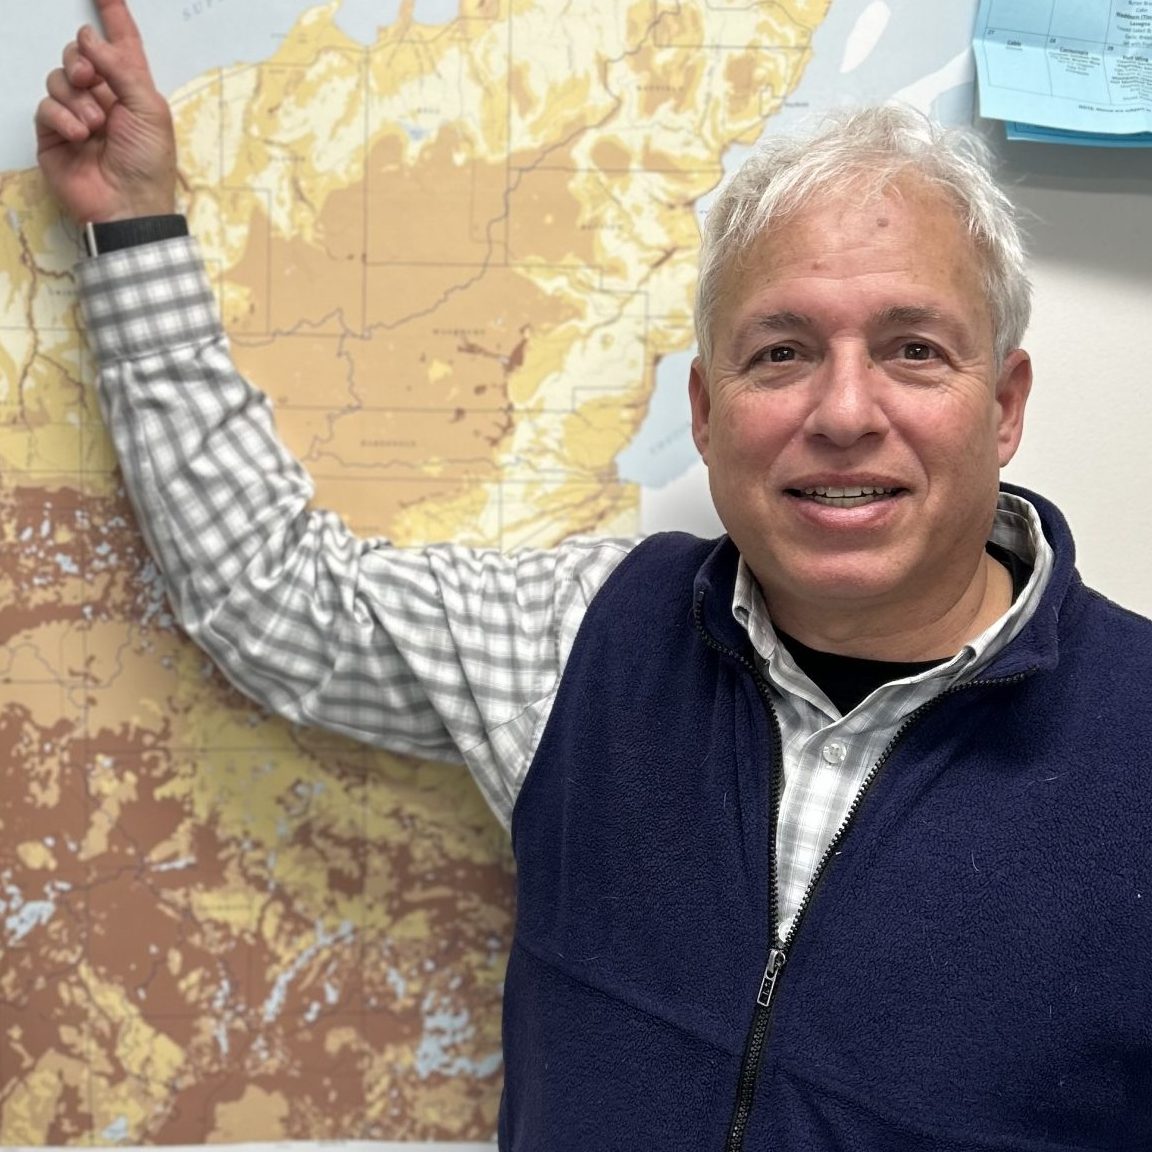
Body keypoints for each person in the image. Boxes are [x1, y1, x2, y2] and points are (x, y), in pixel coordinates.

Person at [36, 1, 1152, 1148]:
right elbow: (276, 594)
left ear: (1004, 407)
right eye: (784, 353)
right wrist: (133, 232)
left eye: (913, 349)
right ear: (709, 416)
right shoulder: (585, 641)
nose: (846, 411)